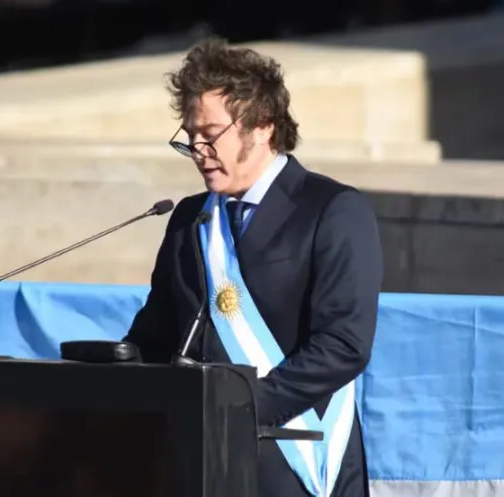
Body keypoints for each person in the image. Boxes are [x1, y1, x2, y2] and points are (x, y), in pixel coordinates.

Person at [123, 37, 383, 497]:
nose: (198, 150)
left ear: (262, 126)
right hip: (196, 462)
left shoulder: (332, 210)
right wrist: (110, 370)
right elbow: (157, 332)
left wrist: (240, 407)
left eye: (210, 135)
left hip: (292, 459)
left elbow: (344, 344)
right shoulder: (189, 218)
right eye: (189, 138)